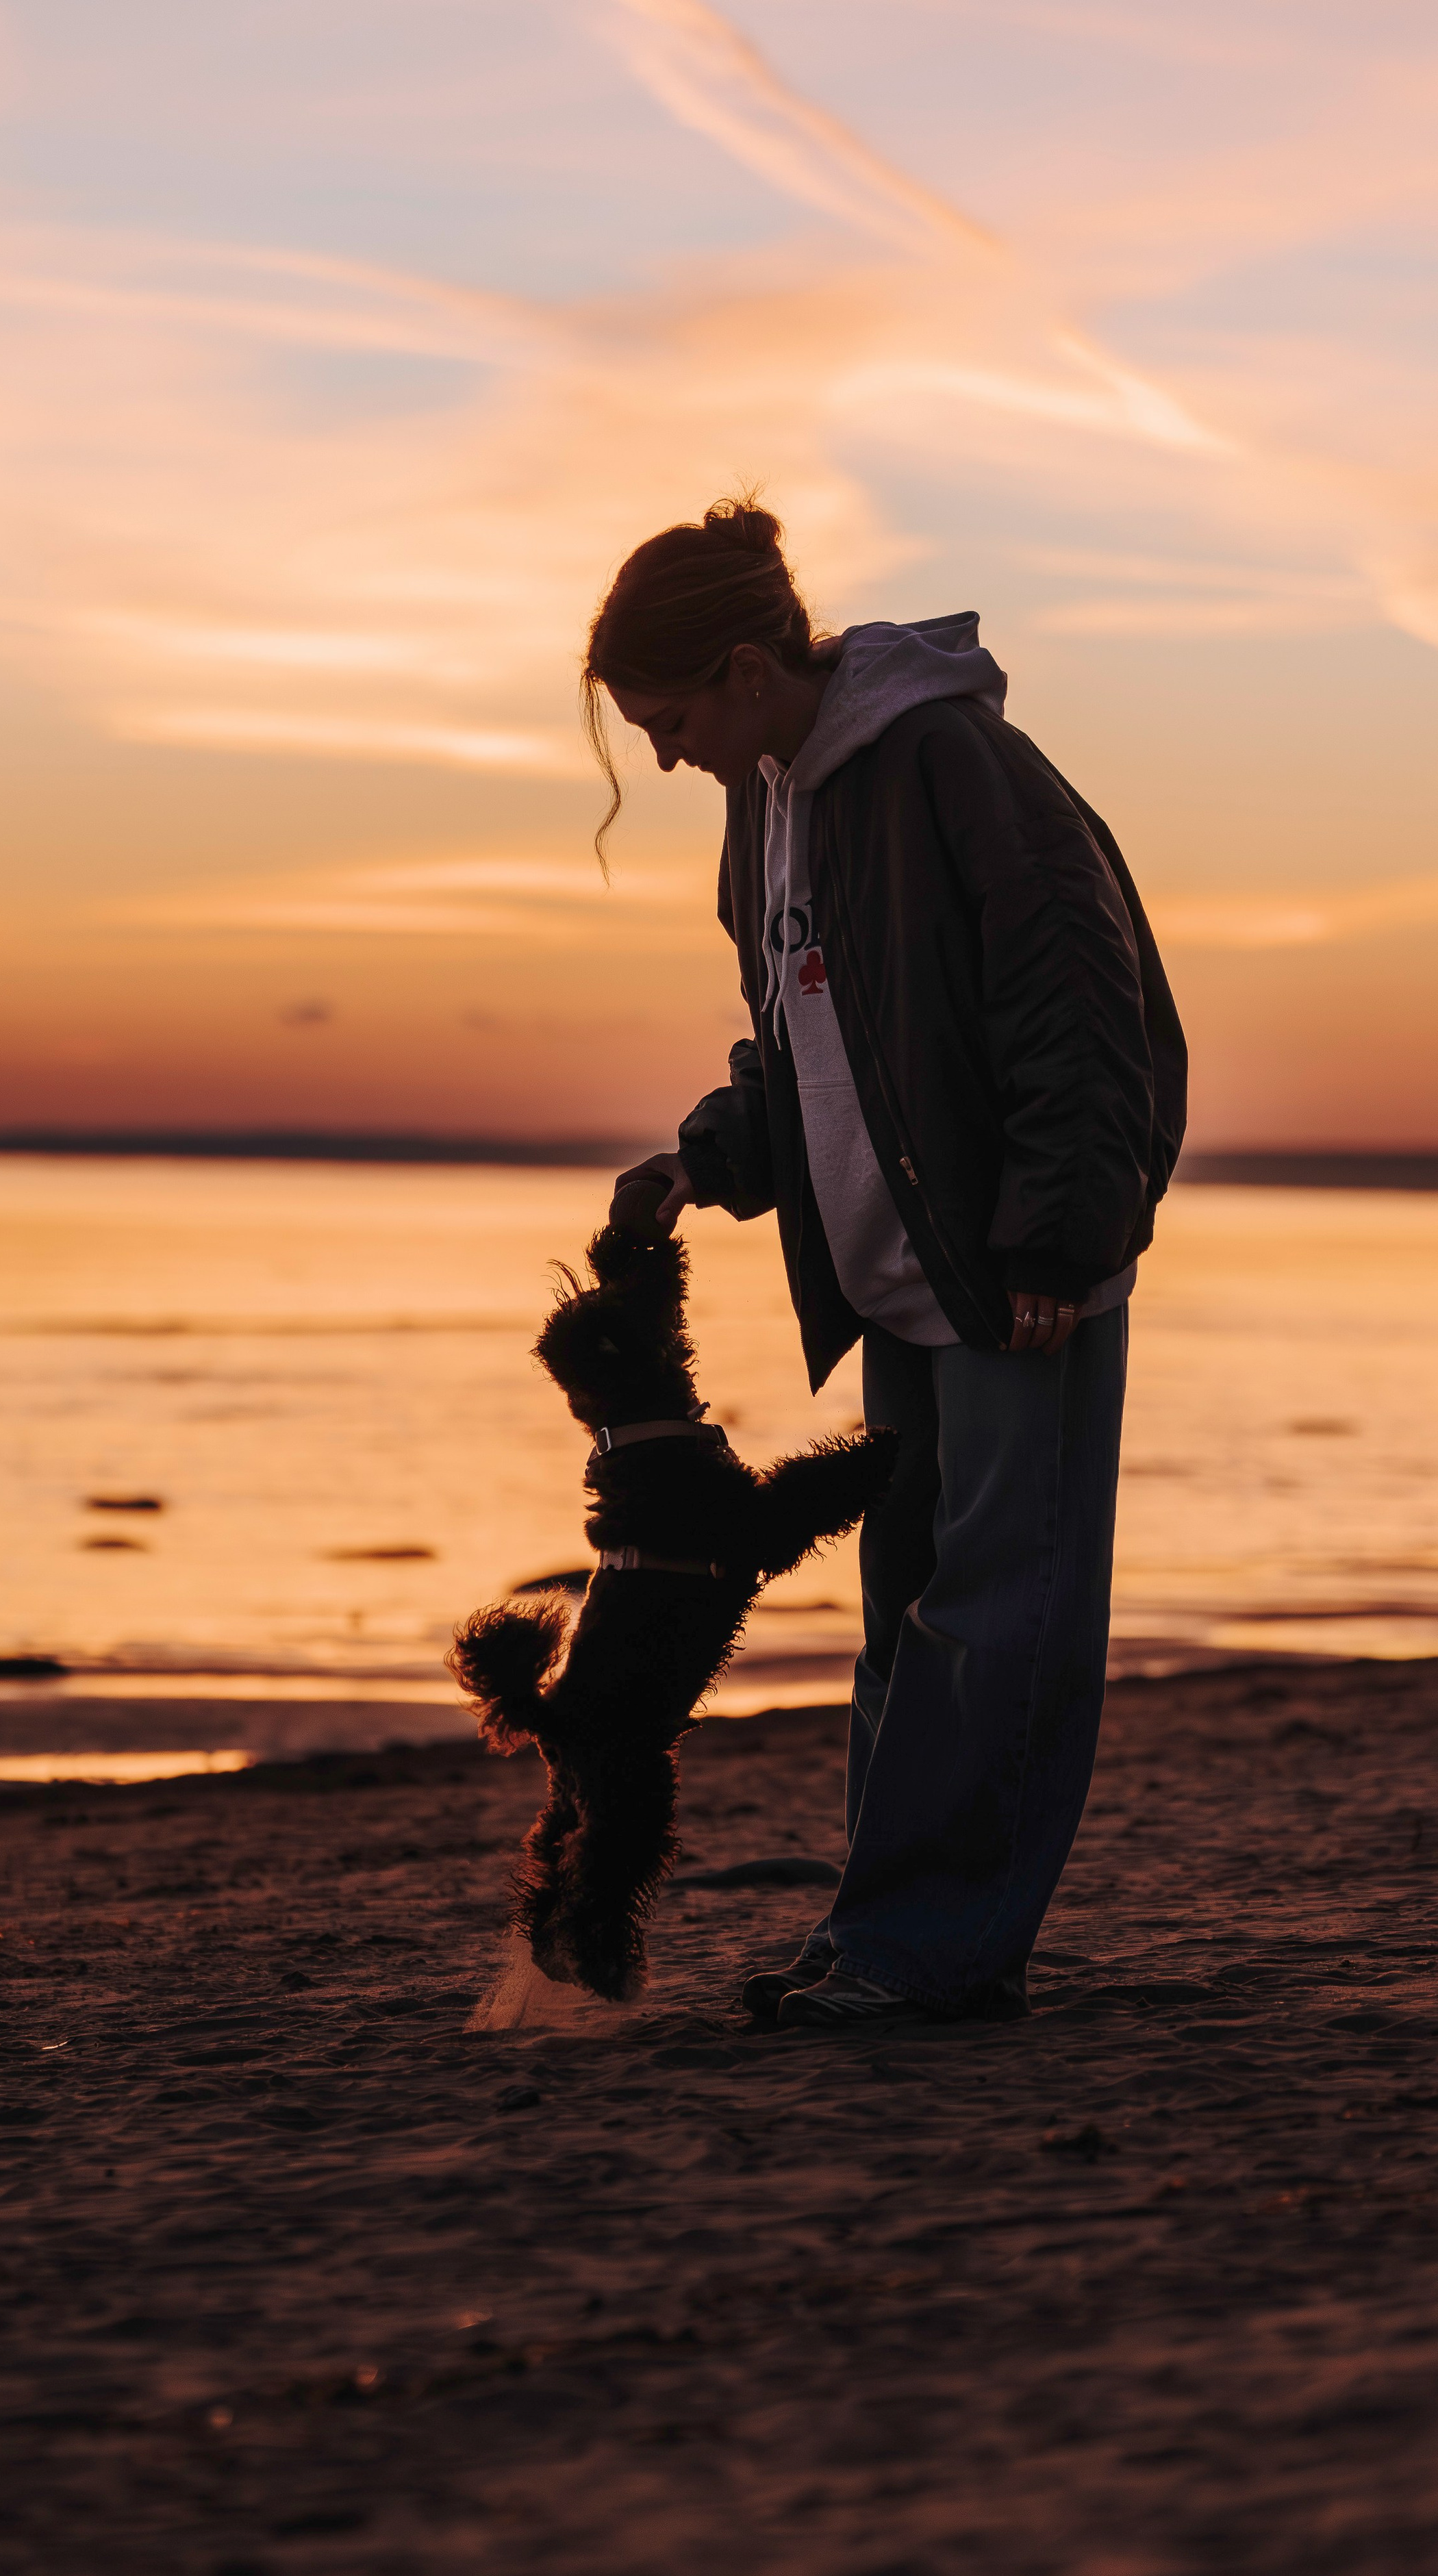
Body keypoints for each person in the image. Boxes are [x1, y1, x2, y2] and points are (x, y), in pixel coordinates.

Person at [585, 497, 1186, 2030]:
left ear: (738, 665)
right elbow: (813, 1035)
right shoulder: (769, 795)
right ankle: (885, 1931)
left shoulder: (946, 759)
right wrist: (711, 1156)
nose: (662, 757)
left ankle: (928, 1949)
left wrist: (1059, 1232)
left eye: (665, 721)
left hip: (1009, 1273)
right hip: (890, 1273)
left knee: (1000, 1616)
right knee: (908, 1607)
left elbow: (1077, 1002)